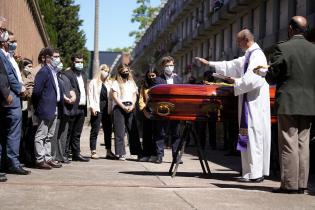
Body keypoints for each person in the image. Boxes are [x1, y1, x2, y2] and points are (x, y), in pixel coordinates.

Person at [196, 29, 271, 182]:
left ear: (246, 40)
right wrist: (209, 63)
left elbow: (254, 79)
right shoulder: (249, 54)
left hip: (254, 102)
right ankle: (248, 171)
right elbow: (232, 64)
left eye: (239, 41)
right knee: (247, 134)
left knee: (254, 135)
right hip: (247, 99)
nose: (238, 44)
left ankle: (256, 173)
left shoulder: (257, 55)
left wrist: (235, 81)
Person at [254, 16, 315, 194]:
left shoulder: (283, 47)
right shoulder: (314, 49)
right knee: (304, 143)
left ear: (290, 28)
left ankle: (289, 184)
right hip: (309, 103)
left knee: (289, 142)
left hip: (288, 101)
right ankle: (302, 184)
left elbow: (273, 75)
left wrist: (264, 72)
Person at [0, 27, 30, 175]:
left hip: (14, 98)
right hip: (10, 98)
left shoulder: (10, 57)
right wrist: (20, 88)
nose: (14, 44)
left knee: (12, 133)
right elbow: (8, 78)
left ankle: (9, 162)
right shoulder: (2, 56)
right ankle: (12, 163)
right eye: (12, 41)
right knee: (12, 133)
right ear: (5, 42)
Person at [32, 48, 63, 169]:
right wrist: (39, 107)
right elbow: (36, 92)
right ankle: (40, 159)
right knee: (41, 134)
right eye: (55, 56)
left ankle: (48, 158)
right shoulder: (44, 71)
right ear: (48, 58)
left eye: (58, 56)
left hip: (54, 107)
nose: (57, 59)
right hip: (45, 108)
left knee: (50, 135)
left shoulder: (54, 72)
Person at [151, 56, 182, 164]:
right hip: (162, 110)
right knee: (160, 133)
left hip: (176, 110)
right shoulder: (158, 79)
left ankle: (176, 156)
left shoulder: (178, 79)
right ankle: (159, 156)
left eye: (171, 65)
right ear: (163, 66)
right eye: (167, 65)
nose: (170, 67)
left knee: (176, 133)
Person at [111, 64, 143, 160]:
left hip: (130, 106)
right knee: (119, 131)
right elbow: (115, 96)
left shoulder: (131, 83)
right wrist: (123, 106)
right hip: (119, 107)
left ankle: (137, 152)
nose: (125, 73)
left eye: (127, 71)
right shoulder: (115, 83)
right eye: (123, 71)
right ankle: (121, 153)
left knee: (133, 130)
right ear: (120, 72)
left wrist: (132, 105)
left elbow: (134, 95)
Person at [64, 53, 89, 162]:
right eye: (77, 62)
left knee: (77, 133)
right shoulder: (67, 74)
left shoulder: (83, 74)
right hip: (72, 107)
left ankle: (76, 154)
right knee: (68, 131)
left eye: (81, 62)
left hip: (82, 107)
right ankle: (64, 153)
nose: (80, 64)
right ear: (73, 62)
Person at [88, 64, 115, 159]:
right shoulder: (93, 82)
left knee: (108, 130)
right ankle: (93, 151)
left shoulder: (109, 83)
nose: (106, 73)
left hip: (107, 109)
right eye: (105, 70)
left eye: (108, 71)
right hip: (97, 107)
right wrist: (92, 107)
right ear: (100, 70)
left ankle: (108, 151)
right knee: (95, 129)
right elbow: (90, 96)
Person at [138, 70, 158, 162]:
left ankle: (155, 154)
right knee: (146, 135)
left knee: (156, 135)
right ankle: (146, 154)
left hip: (157, 113)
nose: (152, 77)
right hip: (147, 113)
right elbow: (141, 99)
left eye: (153, 75)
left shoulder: (159, 86)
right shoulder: (144, 87)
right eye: (150, 76)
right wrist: (144, 111)